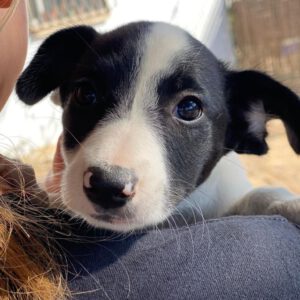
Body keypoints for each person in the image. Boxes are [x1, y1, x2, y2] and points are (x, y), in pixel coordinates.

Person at [0, 1, 300, 299]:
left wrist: (267, 202)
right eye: (88, 94)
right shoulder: (277, 255)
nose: (111, 166)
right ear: (62, 95)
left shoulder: (244, 213)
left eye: (188, 108)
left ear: (243, 124)